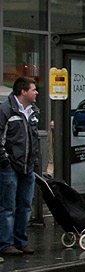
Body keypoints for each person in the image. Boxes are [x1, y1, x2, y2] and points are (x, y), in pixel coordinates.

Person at [0, 77, 41, 257]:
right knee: (7, 206)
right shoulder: (6, 110)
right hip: (9, 167)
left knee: (25, 205)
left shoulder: (33, 111)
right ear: (23, 92)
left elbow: (34, 138)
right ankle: (6, 243)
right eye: (33, 89)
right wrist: (4, 160)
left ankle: (20, 241)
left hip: (27, 167)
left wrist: (35, 161)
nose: (36, 92)